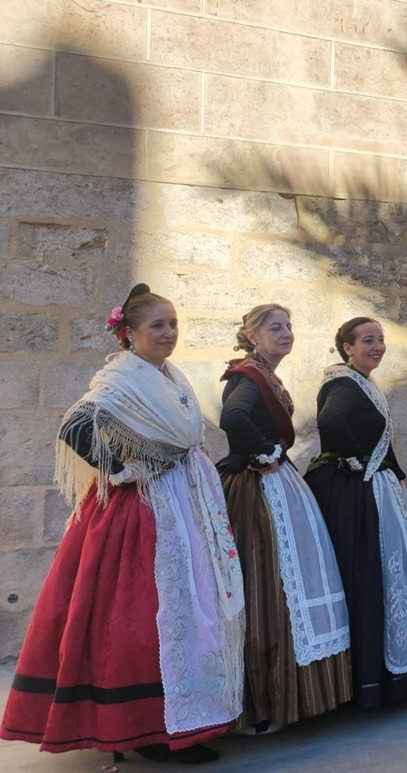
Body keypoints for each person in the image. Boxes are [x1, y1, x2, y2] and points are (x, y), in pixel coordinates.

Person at [2, 284, 243, 763]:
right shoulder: (122, 378)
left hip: (181, 505)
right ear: (130, 334)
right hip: (144, 515)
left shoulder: (169, 376)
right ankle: (146, 732)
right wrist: (119, 471)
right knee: (145, 620)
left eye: (173, 323)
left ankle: (184, 720)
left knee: (189, 614)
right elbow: (76, 426)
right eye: (157, 325)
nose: (169, 333)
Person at [218, 304, 351, 732]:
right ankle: (265, 702)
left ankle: (290, 696)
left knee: (283, 583)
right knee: (267, 587)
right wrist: (266, 451)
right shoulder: (247, 376)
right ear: (252, 336)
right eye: (275, 327)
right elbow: (232, 417)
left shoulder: (264, 375)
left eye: (289, 326)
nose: (286, 333)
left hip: (276, 484)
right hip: (257, 491)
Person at [306, 317, 407, 708]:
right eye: (368, 341)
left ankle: (384, 676)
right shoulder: (343, 383)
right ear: (348, 348)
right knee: (367, 574)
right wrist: (357, 458)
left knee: (379, 576)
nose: (377, 347)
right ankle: (370, 680)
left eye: (380, 340)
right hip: (356, 494)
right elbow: (330, 420)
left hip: (368, 488)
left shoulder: (361, 382)